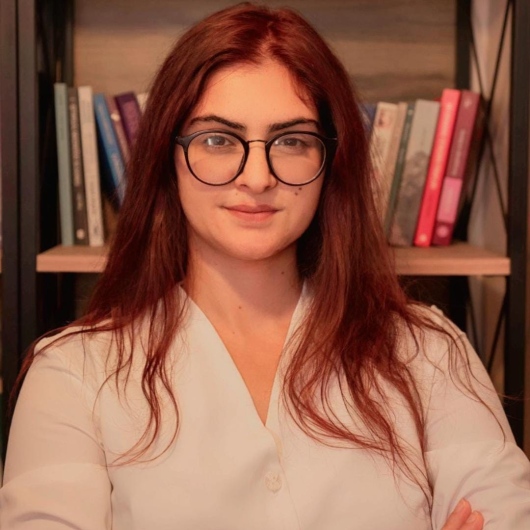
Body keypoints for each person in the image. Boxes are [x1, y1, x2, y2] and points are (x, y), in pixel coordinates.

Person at [1, 3, 529, 529]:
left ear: (331, 163)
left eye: (292, 141)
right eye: (217, 139)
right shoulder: (73, 375)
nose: (256, 177)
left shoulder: (429, 355)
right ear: (168, 158)